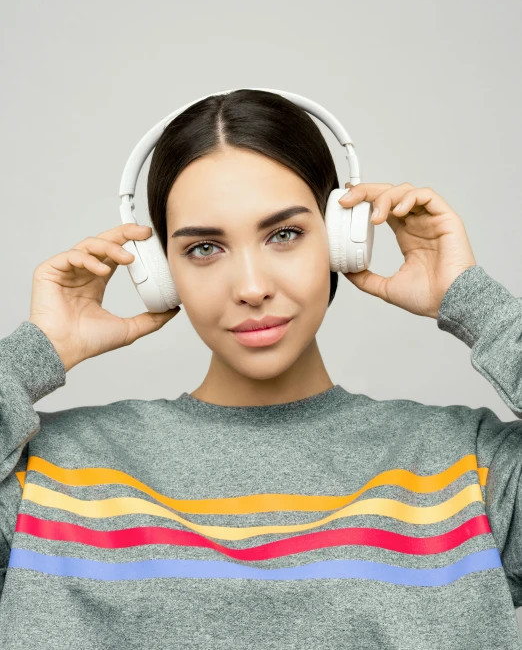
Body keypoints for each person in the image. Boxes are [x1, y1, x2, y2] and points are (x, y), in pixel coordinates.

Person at [0, 89, 520, 649]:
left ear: (344, 241)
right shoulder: (49, 476)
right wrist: (37, 351)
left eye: (285, 235)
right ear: (159, 272)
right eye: (204, 248)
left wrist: (475, 303)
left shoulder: (468, 467)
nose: (251, 288)